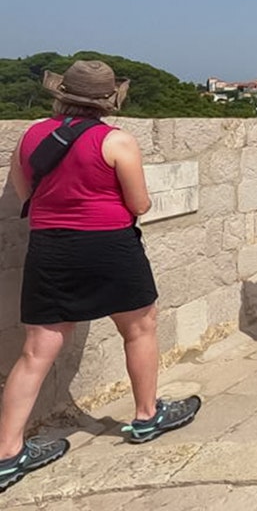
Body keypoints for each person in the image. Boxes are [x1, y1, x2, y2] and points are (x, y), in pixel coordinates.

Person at [1, 60, 201, 492]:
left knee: (37, 350)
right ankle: (147, 415)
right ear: (108, 99)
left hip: (50, 246)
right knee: (140, 327)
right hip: (108, 244)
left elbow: (22, 192)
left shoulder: (32, 136)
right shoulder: (117, 141)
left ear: (63, 94)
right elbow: (140, 204)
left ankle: (7, 453)